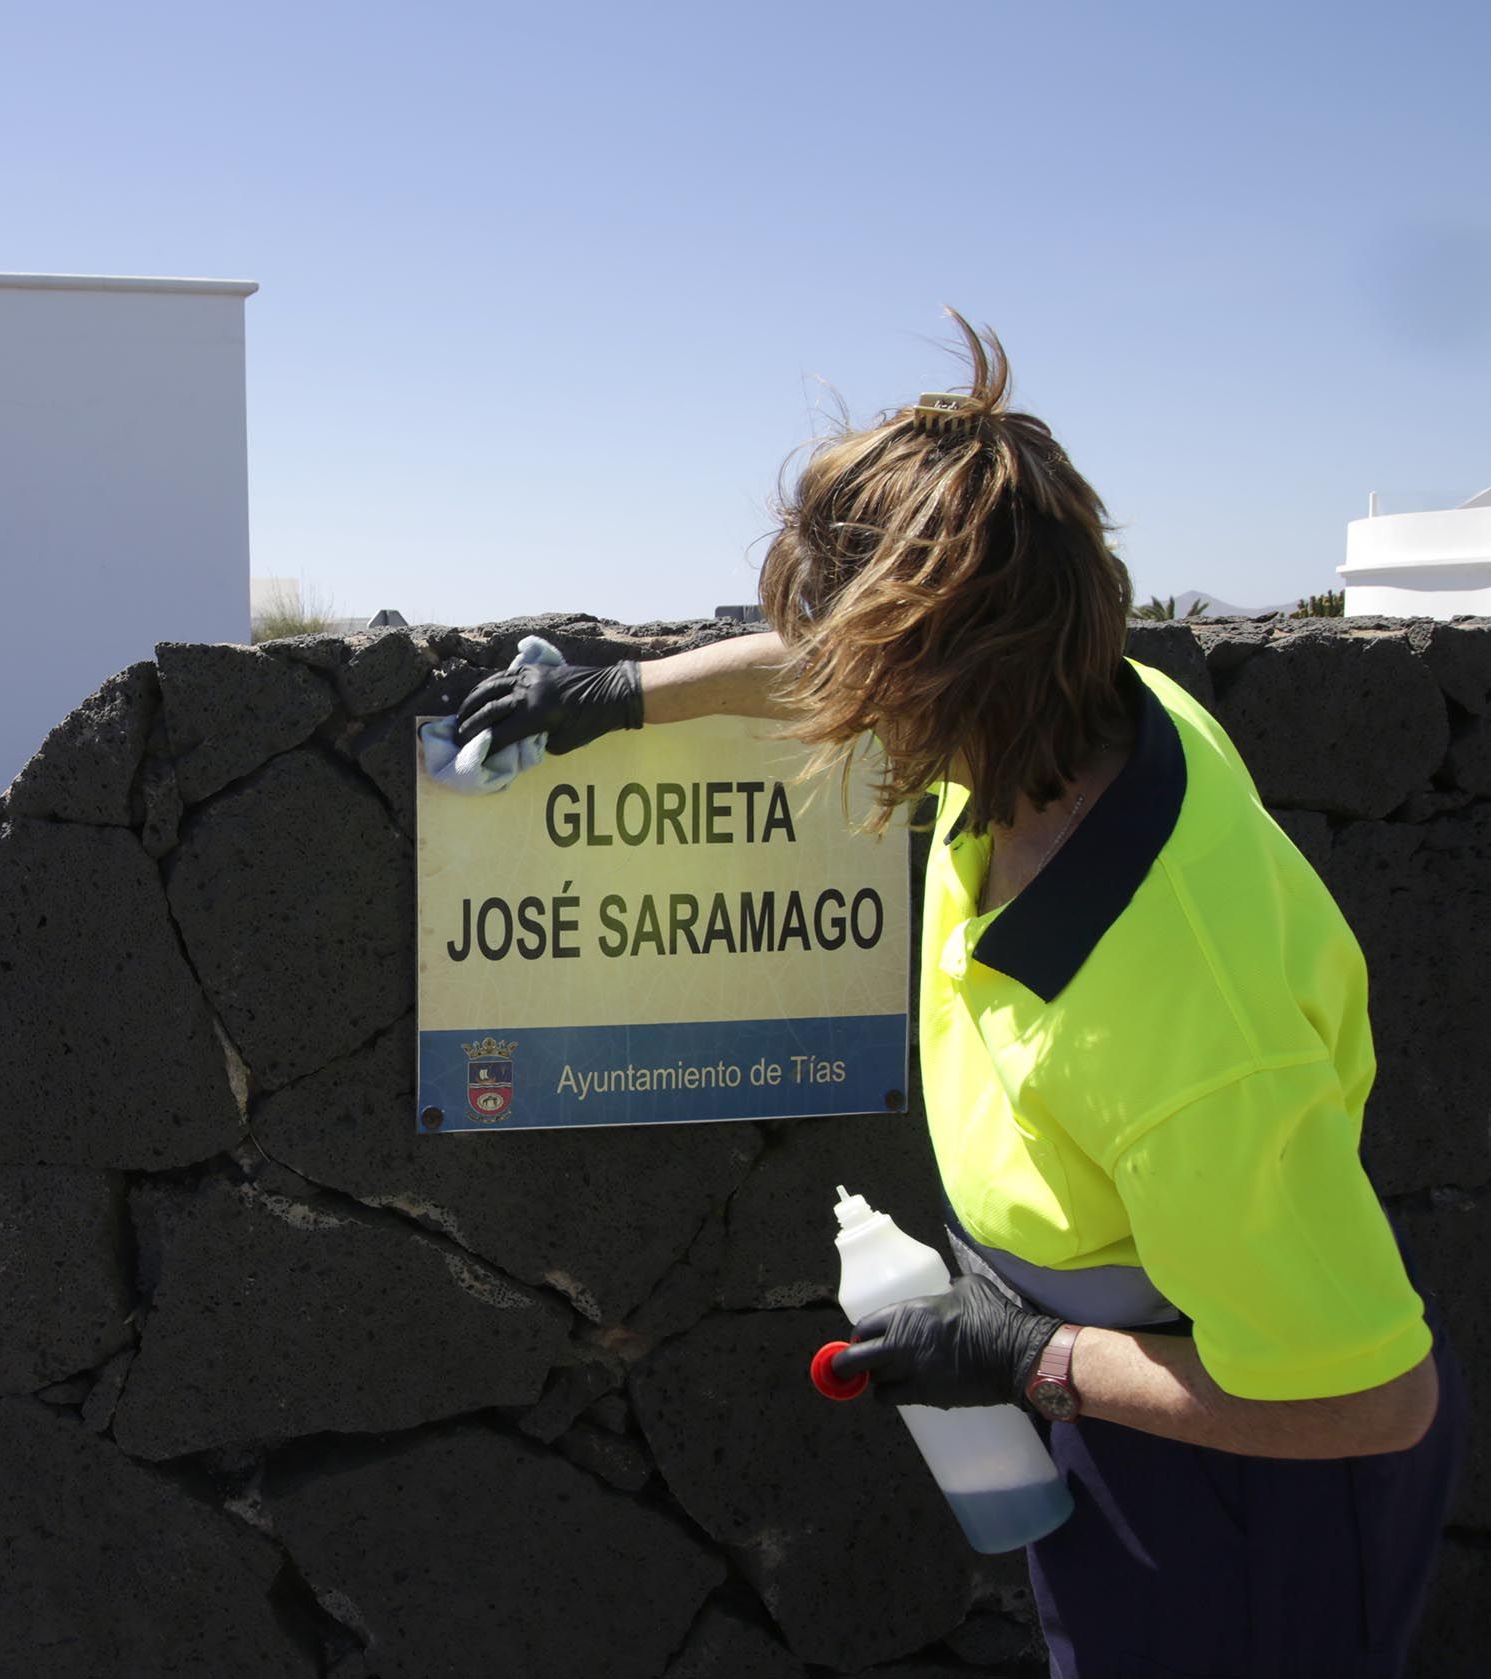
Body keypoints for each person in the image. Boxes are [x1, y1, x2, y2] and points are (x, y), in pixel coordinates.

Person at [452, 317, 1464, 1677]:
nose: (830, 707)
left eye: (861, 679)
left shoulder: (1177, 1022)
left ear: (934, 684)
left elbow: (1372, 1402)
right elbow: (832, 664)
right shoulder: (1074, 713)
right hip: (1129, 1404)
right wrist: (616, 695)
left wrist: (1030, 1357)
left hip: (1251, 1467)